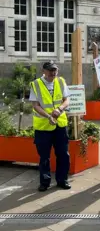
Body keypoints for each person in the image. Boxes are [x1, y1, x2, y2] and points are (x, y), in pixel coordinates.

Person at [29, 61, 71, 192]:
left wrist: (59, 109)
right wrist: (48, 116)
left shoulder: (60, 81)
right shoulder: (36, 84)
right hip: (43, 126)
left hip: (60, 124)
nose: (53, 73)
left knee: (63, 154)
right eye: (50, 70)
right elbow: (35, 105)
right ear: (44, 71)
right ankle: (44, 182)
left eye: (55, 70)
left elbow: (67, 100)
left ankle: (62, 180)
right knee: (44, 156)